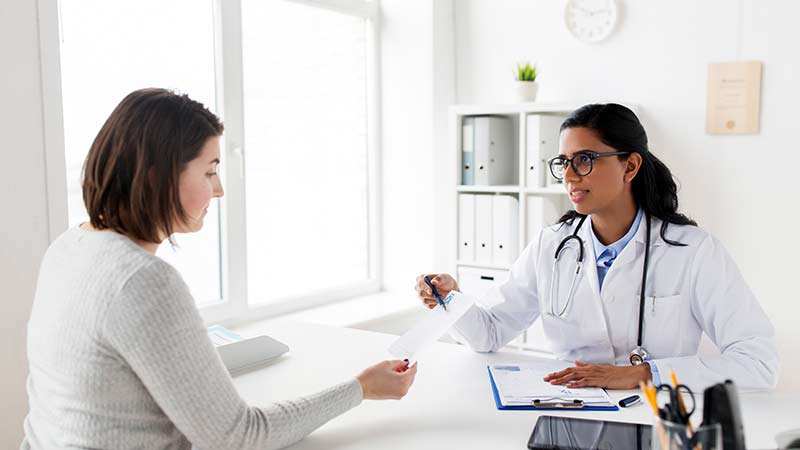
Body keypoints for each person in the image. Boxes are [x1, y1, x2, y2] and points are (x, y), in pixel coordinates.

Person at [21, 88, 417, 450]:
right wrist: (361, 388)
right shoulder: (143, 280)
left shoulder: (68, 247)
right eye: (210, 170)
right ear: (158, 176)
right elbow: (238, 436)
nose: (220, 189)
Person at [416, 103, 778, 391]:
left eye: (584, 160)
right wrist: (452, 299)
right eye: (563, 162)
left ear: (630, 165)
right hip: (568, 411)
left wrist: (643, 375)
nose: (570, 175)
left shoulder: (693, 251)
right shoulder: (551, 245)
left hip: (653, 418)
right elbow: (490, 333)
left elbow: (758, 363)